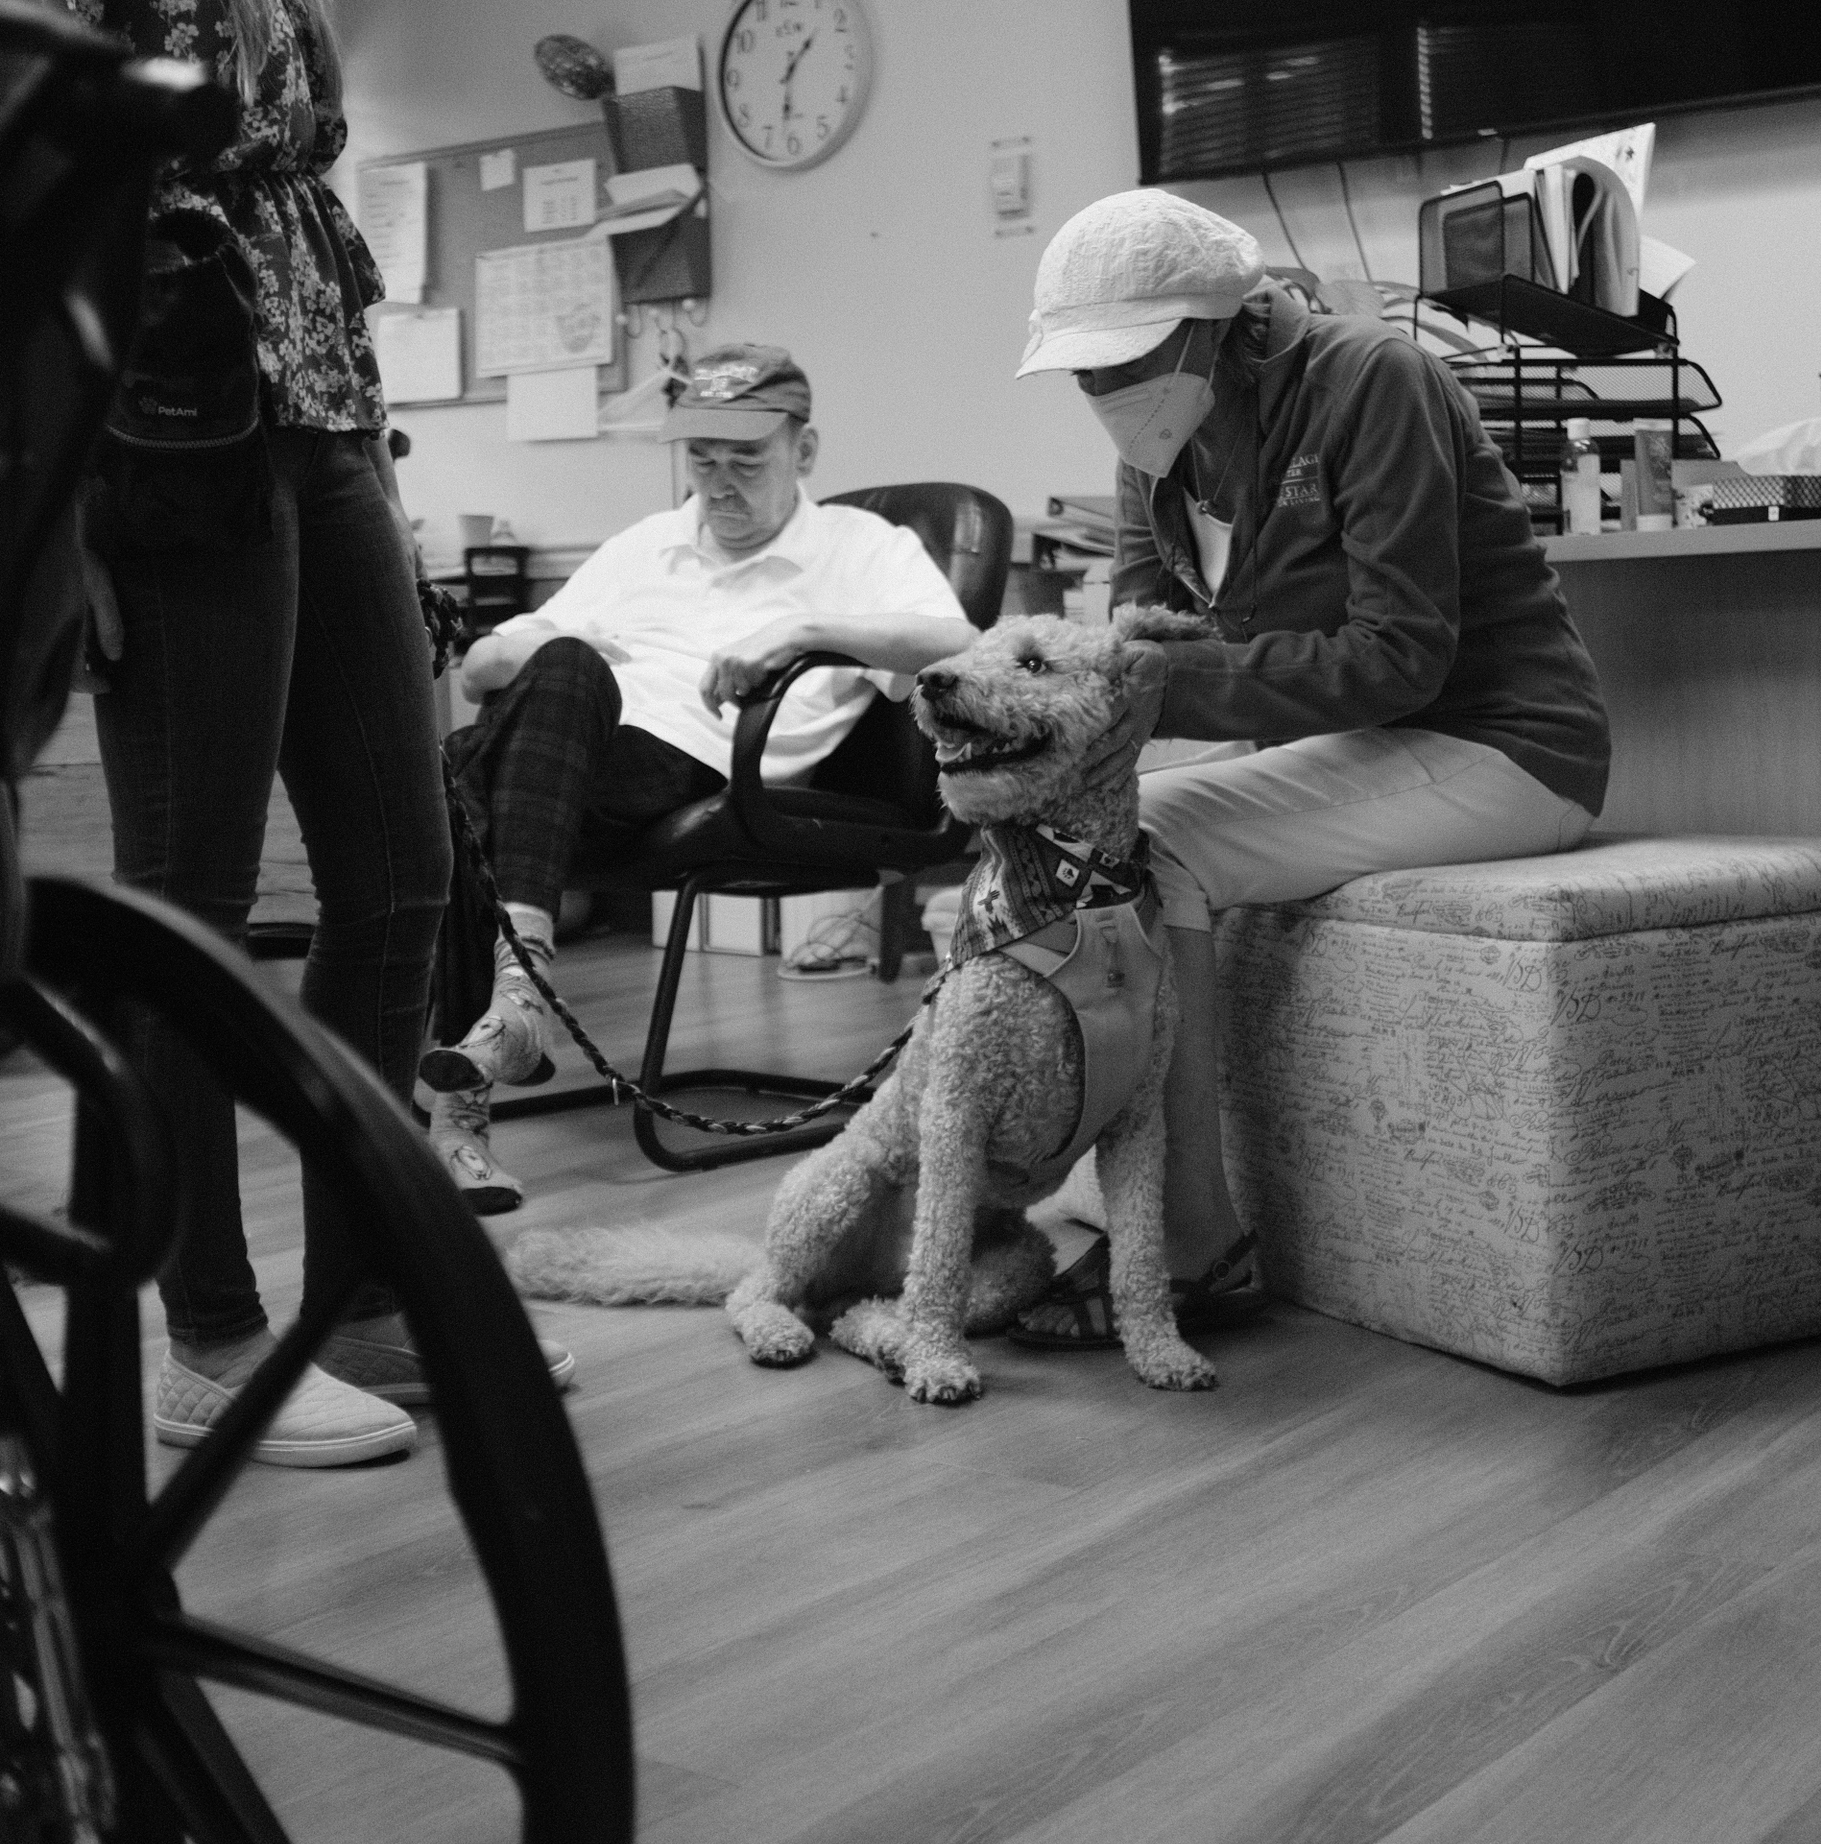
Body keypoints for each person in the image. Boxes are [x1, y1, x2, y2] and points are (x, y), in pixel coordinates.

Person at [0, 0, 461, 1469]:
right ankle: (200, 1324)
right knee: (186, 915)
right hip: (169, 450)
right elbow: (30, 201)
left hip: (312, 416)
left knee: (402, 878)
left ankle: (366, 1297)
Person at [1007, 189, 1612, 1344]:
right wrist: (1066, 722)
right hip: (1360, 752)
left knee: (1158, 838)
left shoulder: (1374, 378)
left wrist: (1141, 691)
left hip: (1504, 744)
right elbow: (1145, 647)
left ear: (1222, 323)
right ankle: (1049, 1183)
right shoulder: (1157, 451)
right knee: (1078, 833)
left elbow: (1401, 656)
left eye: (1124, 359)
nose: (1101, 390)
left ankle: (1195, 1250)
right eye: (1080, 370)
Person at [424, 343, 976, 1209]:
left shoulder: (859, 545)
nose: (718, 485)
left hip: (708, 766)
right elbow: (481, 667)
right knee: (511, 714)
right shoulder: (648, 543)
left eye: (746, 460)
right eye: (702, 460)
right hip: (574, 758)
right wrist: (525, 649)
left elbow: (957, 646)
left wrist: (802, 631)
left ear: (806, 450)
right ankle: (511, 1011)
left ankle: (460, 1112)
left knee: (456, 781)